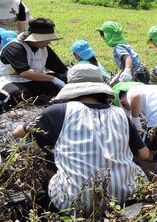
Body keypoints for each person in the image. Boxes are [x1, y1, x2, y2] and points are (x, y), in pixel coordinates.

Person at [13, 64, 148, 212]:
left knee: (41, 156)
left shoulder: (58, 111)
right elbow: (144, 154)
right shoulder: (120, 114)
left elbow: (18, 133)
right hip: (126, 194)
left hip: (75, 203)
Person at [0, 18, 68, 111]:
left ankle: (39, 97)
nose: (49, 42)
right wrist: (53, 79)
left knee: (63, 78)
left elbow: (61, 69)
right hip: (13, 81)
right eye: (47, 39)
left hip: (34, 81)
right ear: (36, 39)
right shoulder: (14, 47)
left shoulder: (44, 48)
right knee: (14, 94)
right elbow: (26, 73)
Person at [112, 82, 157, 154]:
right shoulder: (149, 89)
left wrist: (134, 119)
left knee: (147, 150)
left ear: (123, 102)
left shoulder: (132, 92)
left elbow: (135, 95)